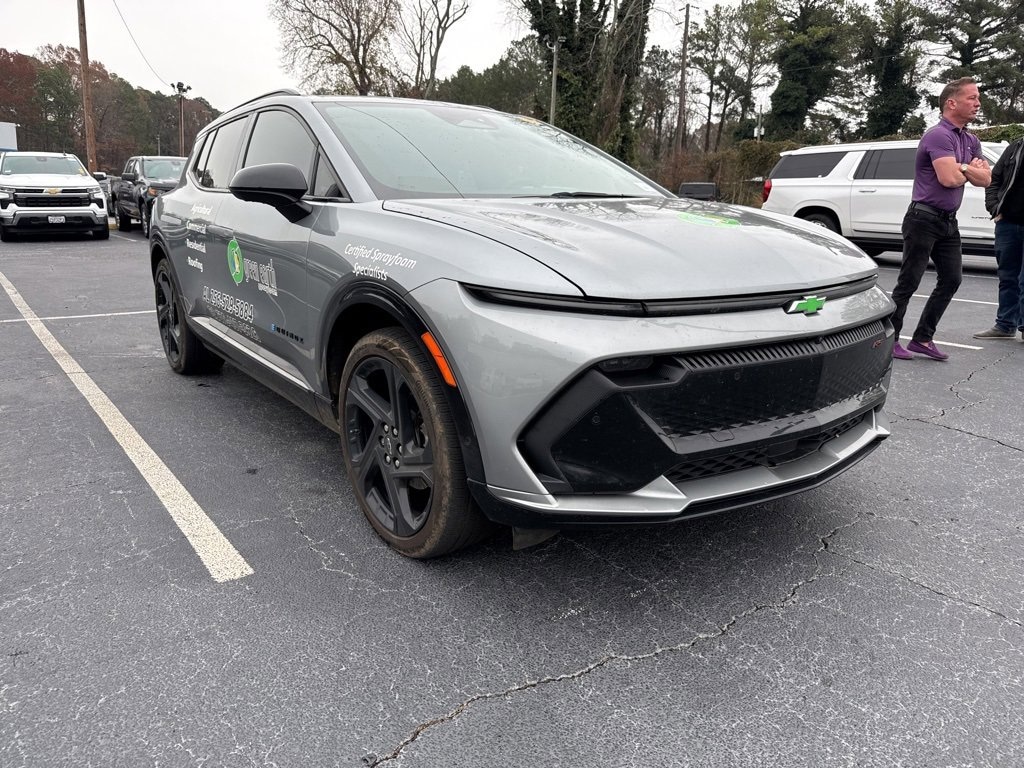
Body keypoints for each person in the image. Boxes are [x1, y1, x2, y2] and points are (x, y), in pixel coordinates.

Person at [891, 77, 991, 360]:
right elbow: (948, 179)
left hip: (949, 222)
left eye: (977, 97)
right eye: (972, 98)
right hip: (922, 218)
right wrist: (966, 167)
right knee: (909, 282)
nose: (977, 103)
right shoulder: (938, 135)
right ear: (951, 103)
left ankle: (922, 338)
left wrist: (965, 169)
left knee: (952, 279)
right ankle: (889, 339)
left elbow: (986, 179)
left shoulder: (970, 138)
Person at [973, 136, 1024, 341]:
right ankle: (1005, 325)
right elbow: (993, 179)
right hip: (1008, 223)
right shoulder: (1016, 147)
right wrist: (994, 209)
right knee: (1008, 277)